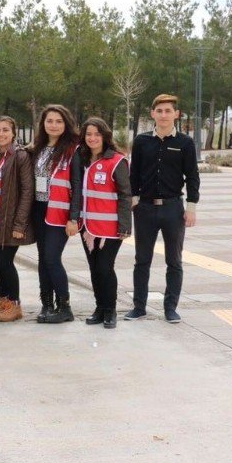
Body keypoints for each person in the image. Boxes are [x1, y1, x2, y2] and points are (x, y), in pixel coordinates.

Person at [127, 94, 200, 323]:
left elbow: (193, 177)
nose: (164, 115)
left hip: (173, 209)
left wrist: (191, 207)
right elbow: (134, 174)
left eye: (168, 111)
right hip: (145, 209)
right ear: (153, 114)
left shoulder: (185, 143)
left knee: (174, 261)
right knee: (142, 260)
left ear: (176, 114)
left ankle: (171, 308)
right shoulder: (141, 141)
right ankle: (139, 307)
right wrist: (134, 200)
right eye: (160, 111)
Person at [27, 104, 83, 324]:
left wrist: (74, 217)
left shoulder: (73, 149)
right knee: (43, 260)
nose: (54, 125)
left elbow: (77, 185)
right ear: (43, 124)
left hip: (60, 211)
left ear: (66, 124)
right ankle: (47, 305)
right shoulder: (38, 148)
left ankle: (65, 306)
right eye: (50, 121)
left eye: (59, 121)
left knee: (52, 258)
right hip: (39, 209)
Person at [79, 117, 132, 329]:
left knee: (104, 267)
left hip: (110, 229)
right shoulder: (82, 160)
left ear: (105, 136)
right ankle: (99, 308)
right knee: (94, 268)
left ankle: (110, 310)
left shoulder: (116, 161)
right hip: (88, 227)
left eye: (97, 134)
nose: (92, 138)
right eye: (88, 134)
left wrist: (125, 226)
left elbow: (125, 195)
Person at [0, 115, 35, 322]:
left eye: (5, 130)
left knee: (6, 262)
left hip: (11, 219)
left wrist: (20, 224)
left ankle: (14, 304)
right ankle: (3, 300)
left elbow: (27, 191)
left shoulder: (20, 156)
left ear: (13, 133)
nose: (1, 134)